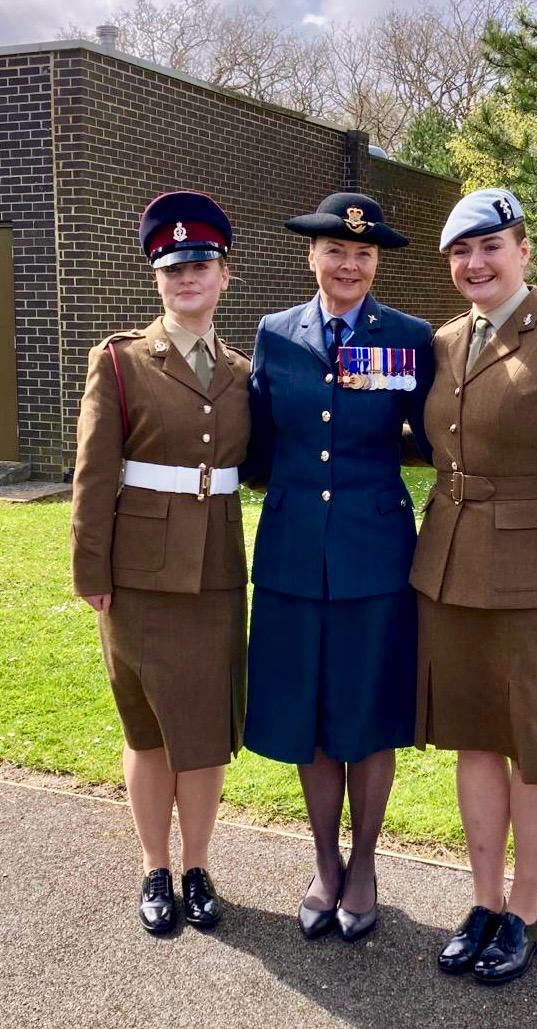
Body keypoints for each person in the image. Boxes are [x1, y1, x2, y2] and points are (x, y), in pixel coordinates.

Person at [409, 188, 537, 984]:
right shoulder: (443, 341)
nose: (473, 263)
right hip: (450, 568)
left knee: (533, 750)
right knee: (473, 739)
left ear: (523, 251)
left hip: (536, 580)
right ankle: (483, 900)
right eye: (459, 252)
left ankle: (525, 912)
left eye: (489, 246)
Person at [244, 192, 433, 942]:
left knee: (367, 717)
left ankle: (365, 863)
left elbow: (436, 432)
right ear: (311, 257)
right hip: (292, 553)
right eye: (335, 251)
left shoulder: (410, 337)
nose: (348, 263)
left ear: (374, 261)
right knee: (310, 717)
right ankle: (324, 861)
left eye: (362, 253)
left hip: (375, 552)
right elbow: (256, 440)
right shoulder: (274, 333)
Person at [71, 191, 251, 934]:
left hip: (214, 569)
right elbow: (91, 474)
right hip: (139, 575)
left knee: (203, 728)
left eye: (200, 263)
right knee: (147, 729)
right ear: (156, 276)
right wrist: (92, 573)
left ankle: (199, 865)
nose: (187, 277)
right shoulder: (118, 361)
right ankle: (154, 864)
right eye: (173, 266)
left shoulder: (243, 373)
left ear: (224, 274)